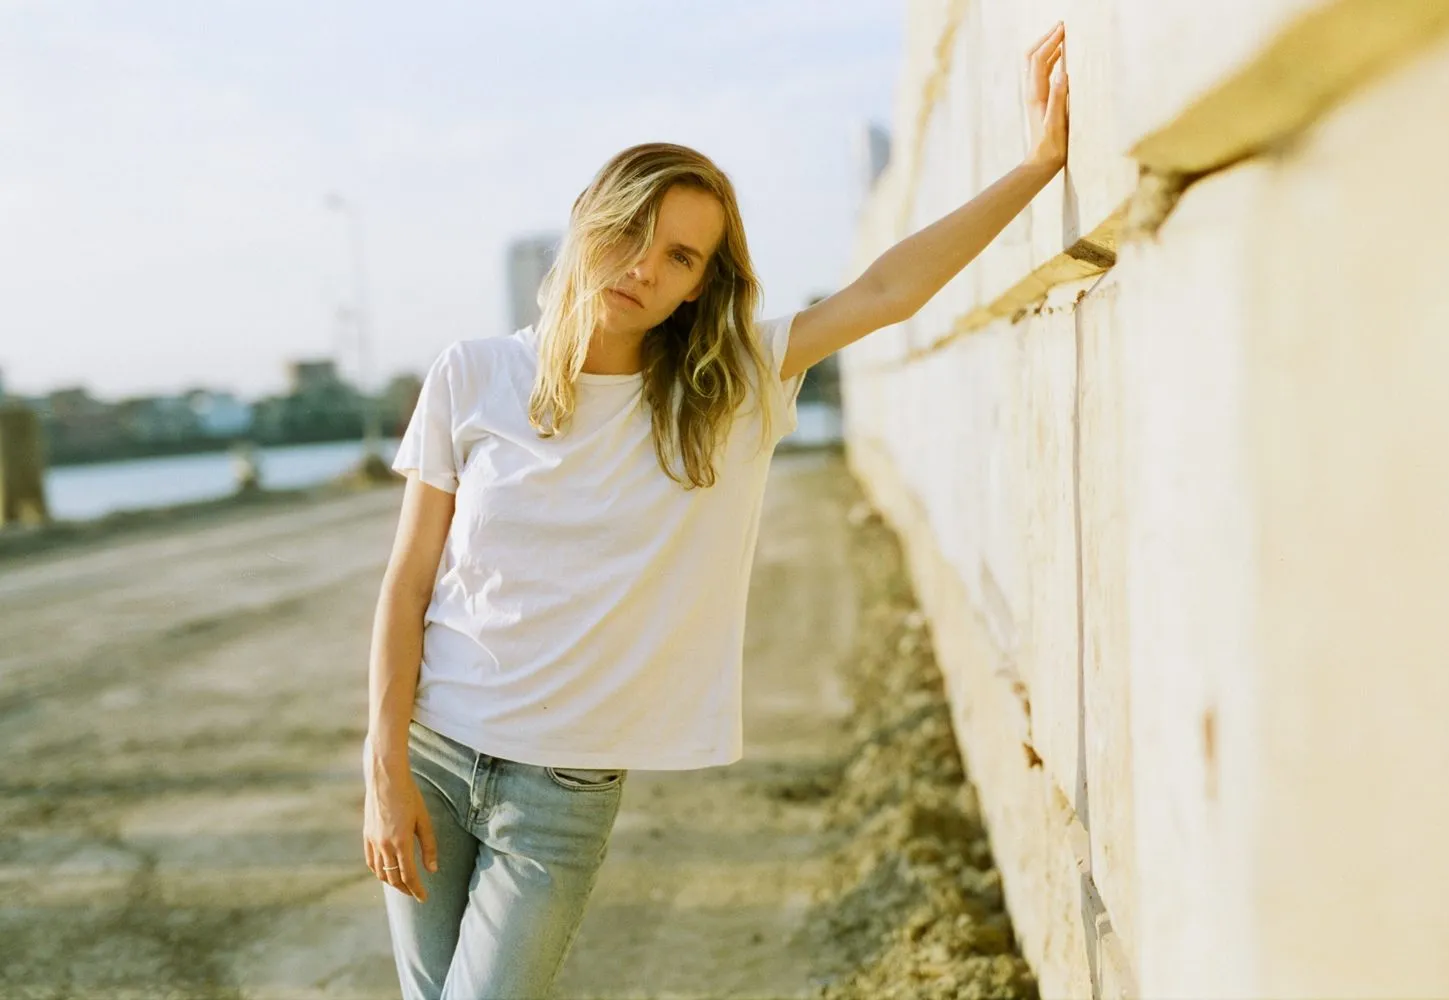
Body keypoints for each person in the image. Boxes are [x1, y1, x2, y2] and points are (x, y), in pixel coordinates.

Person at [363, 22, 1070, 1000]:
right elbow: (408, 586)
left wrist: (1037, 164)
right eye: (630, 233)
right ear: (586, 221)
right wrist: (383, 770)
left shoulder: (725, 388)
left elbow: (886, 290)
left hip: (560, 788)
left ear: (702, 285)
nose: (643, 267)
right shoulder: (471, 375)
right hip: (433, 749)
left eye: (681, 257)